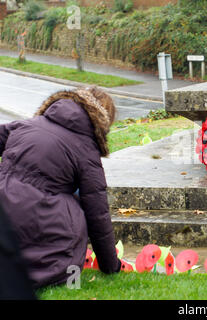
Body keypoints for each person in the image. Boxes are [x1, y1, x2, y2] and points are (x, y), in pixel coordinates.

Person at [0, 87, 121, 289]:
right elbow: (97, 215)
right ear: (103, 121)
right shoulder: (86, 150)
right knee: (75, 200)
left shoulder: (28, 124)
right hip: (40, 221)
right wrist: (111, 266)